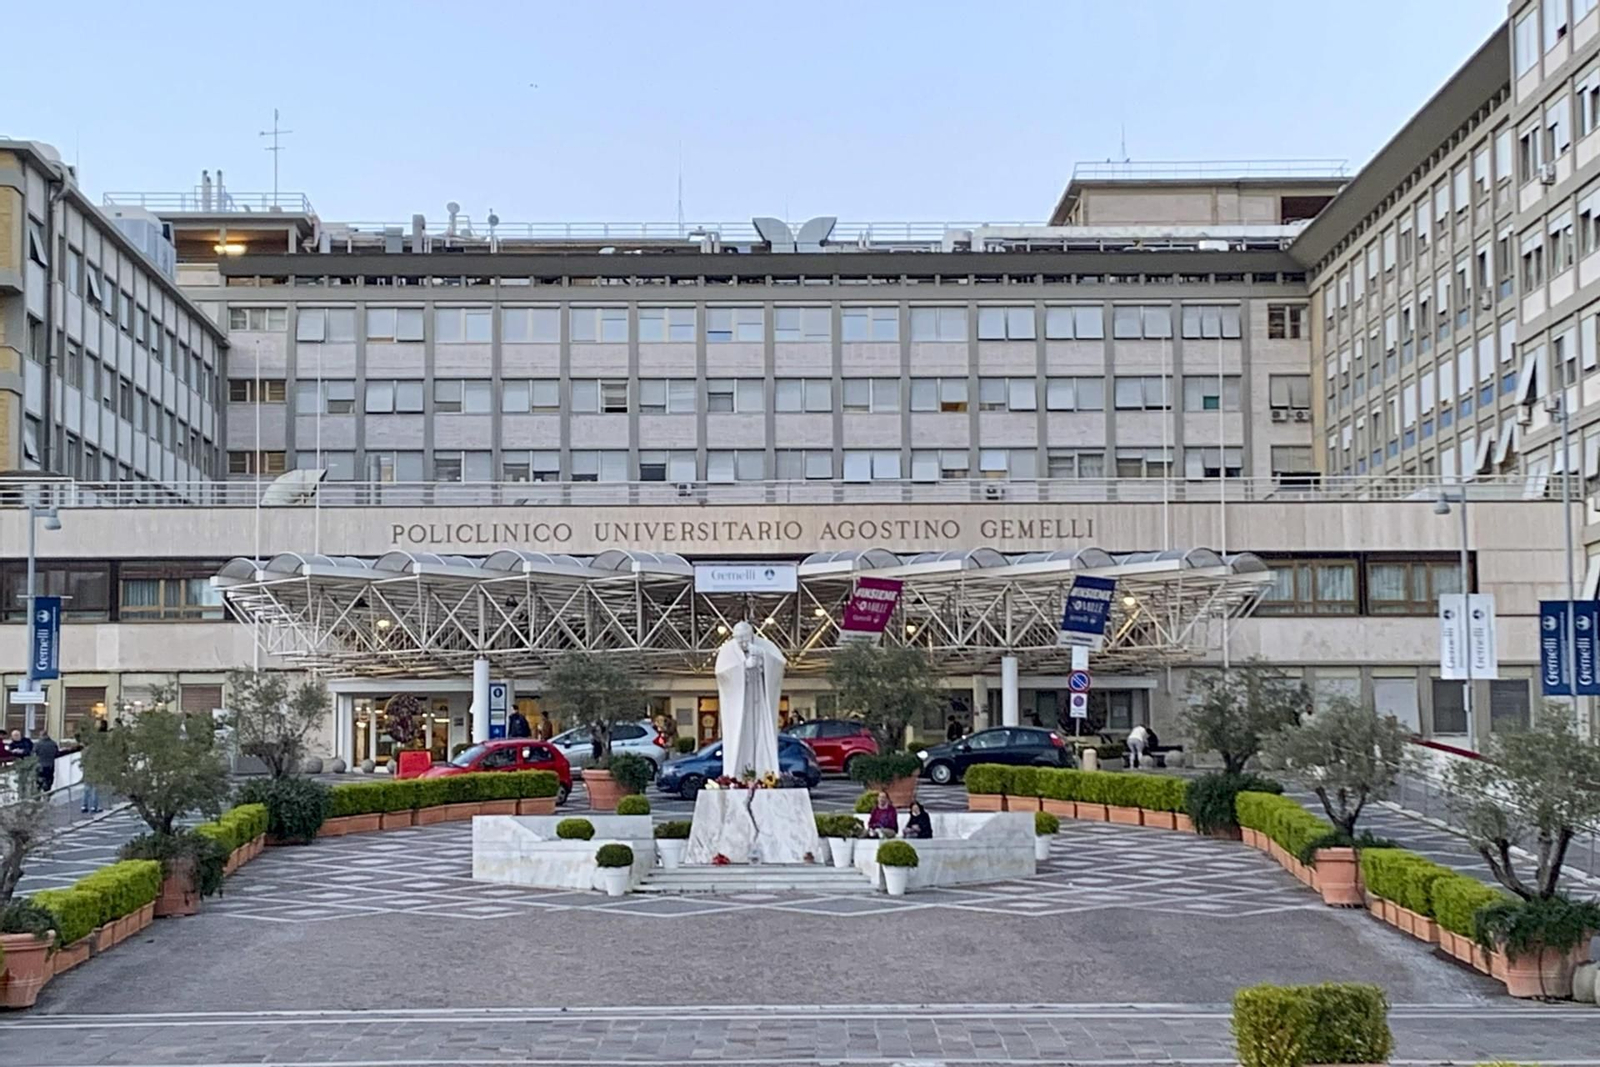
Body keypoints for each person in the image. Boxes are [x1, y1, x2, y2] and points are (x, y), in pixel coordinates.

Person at [81, 719, 108, 813]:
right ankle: (94, 806)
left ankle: (84, 805)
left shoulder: (86, 750)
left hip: (88, 770)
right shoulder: (99, 749)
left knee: (87, 788)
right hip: (96, 770)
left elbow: (83, 760)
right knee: (95, 789)